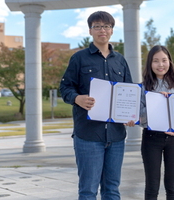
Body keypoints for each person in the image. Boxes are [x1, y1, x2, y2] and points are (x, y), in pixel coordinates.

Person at [59, 11, 133, 200]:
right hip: (88, 136)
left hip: (116, 136)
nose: (103, 30)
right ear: (90, 30)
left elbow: (129, 91)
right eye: (98, 26)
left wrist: (130, 114)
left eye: (107, 26)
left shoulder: (120, 60)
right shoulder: (79, 58)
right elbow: (65, 87)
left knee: (112, 190)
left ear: (112, 30)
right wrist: (77, 99)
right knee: (88, 190)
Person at [139, 45, 174, 200]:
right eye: (156, 61)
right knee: (152, 186)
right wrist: (157, 102)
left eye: (164, 60)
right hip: (151, 139)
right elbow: (140, 118)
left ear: (170, 62)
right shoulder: (143, 86)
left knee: (172, 186)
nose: (160, 65)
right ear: (150, 64)